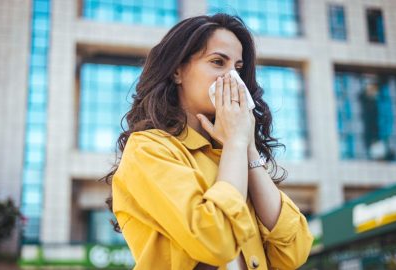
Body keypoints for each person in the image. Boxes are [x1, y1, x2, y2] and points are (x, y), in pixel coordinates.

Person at [106, 13, 313, 270]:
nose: (233, 80)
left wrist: (247, 148)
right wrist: (236, 144)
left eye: (238, 68)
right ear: (177, 71)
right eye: (218, 62)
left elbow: (295, 250)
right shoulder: (149, 149)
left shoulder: (232, 153)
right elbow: (215, 241)